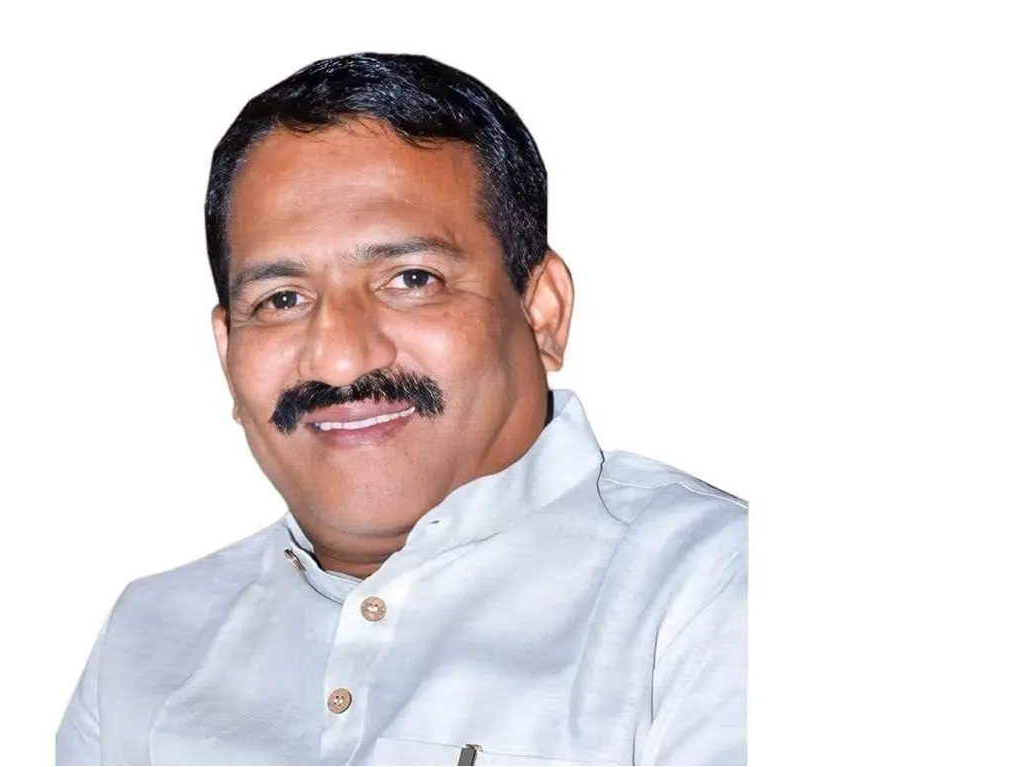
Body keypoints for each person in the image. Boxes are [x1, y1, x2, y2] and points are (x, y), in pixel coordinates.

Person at [56, 52, 747, 766]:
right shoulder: (150, 640)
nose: (339, 359)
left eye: (411, 279)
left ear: (542, 312)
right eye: (282, 299)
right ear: (227, 350)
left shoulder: (709, 592)